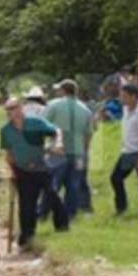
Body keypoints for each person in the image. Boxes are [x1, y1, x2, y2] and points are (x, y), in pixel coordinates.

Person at [0, 98, 66, 248]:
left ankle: (62, 227)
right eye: (8, 109)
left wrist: (55, 145)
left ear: (21, 107)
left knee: (52, 196)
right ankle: (26, 235)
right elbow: (9, 153)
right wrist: (11, 171)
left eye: (14, 107)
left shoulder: (35, 122)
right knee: (26, 205)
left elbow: (56, 131)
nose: (12, 112)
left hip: (42, 168)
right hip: (22, 170)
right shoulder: (6, 131)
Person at [45, 80, 93, 218]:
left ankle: (45, 212)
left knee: (53, 183)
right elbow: (88, 134)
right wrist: (84, 152)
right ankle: (70, 213)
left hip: (58, 151)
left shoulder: (54, 105)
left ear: (63, 91)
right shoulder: (85, 110)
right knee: (74, 184)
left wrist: (46, 146)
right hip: (78, 153)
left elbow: (44, 124)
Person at [111, 83, 138, 216]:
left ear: (134, 96)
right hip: (128, 151)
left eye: (124, 96)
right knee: (115, 178)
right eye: (121, 96)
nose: (121, 99)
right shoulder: (126, 108)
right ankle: (121, 208)